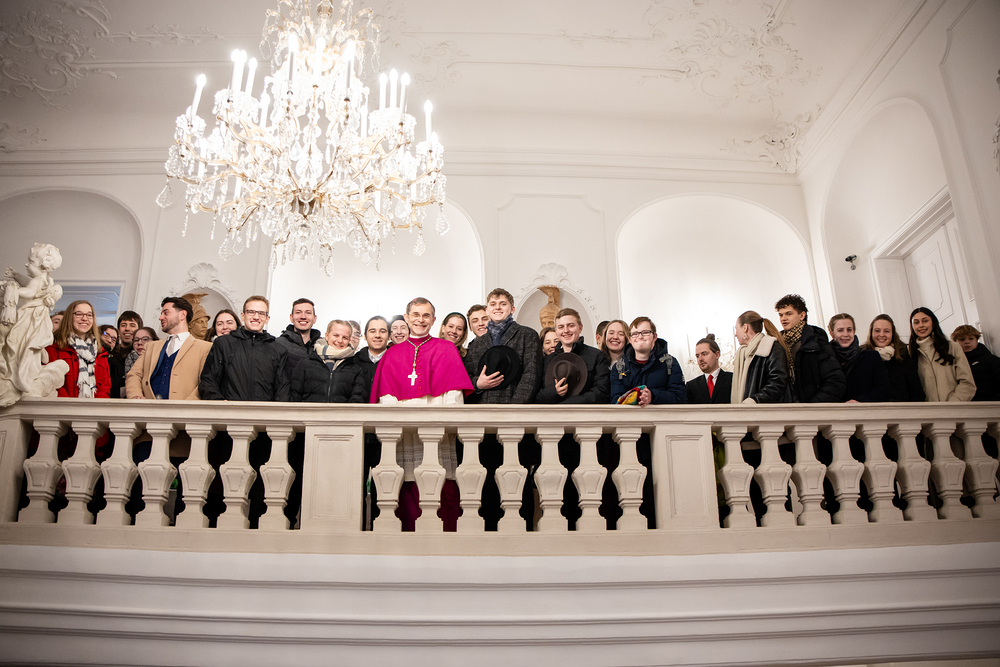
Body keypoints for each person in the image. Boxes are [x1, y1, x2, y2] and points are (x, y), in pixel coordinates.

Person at [369, 297, 474, 531]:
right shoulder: (392, 354)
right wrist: (401, 422)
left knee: (441, 478)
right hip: (405, 433)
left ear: (434, 320)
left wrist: (445, 422)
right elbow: (386, 395)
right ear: (406, 318)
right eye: (415, 315)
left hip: (438, 429)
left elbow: (453, 393)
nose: (421, 320)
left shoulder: (446, 349)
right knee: (405, 479)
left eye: (426, 315)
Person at [199, 295, 289, 402]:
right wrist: (220, 403)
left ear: (267, 319)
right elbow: (208, 380)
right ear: (242, 316)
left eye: (261, 313)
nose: (256, 317)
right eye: (251, 312)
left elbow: (283, 389)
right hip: (230, 410)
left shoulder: (278, 349)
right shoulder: (223, 344)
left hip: (263, 411)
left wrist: (274, 411)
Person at [126, 297, 212, 400]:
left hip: (184, 408)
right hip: (148, 408)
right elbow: (134, 374)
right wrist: (135, 395)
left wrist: (186, 406)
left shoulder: (205, 348)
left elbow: (205, 383)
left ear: (182, 315)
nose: (160, 317)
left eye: (166, 313)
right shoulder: (150, 347)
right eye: (161, 314)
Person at [465, 288, 541, 404]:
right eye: (493, 304)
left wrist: (515, 407)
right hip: (483, 408)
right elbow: (467, 377)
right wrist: (478, 384)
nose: (497, 307)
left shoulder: (527, 335)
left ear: (512, 309)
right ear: (487, 311)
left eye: (503, 304)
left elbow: (531, 375)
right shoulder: (476, 344)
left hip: (515, 406)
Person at [775, 294, 846, 402]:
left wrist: (813, 405)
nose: (783, 318)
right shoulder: (778, 342)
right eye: (781, 315)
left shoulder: (816, 340)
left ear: (802, 315)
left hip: (811, 406)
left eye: (789, 314)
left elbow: (835, 380)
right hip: (786, 406)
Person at [536, 308, 609, 404]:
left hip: (586, 412)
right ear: (556, 331)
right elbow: (536, 396)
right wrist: (553, 392)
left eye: (571, 325)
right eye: (561, 327)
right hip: (554, 413)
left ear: (580, 327)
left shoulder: (597, 356)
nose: (566, 330)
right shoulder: (546, 360)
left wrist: (569, 404)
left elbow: (601, 391)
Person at [609, 317, 685, 405]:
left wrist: (652, 396)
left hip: (661, 414)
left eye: (645, 332)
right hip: (631, 414)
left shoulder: (670, 363)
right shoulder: (619, 368)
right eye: (635, 334)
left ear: (654, 336)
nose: (640, 336)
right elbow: (616, 402)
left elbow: (680, 398)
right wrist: (636, 398)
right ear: (630, 339)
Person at [45, 300, 111, 398]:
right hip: (63, 405)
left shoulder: (100, 352)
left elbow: (105, 386)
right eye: (79, 314)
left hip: (94, 406)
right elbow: (52, 383)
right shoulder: (54, 348)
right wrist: (71, 405)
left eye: (89, 315)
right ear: (69, 317)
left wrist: (96, 405)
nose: (84, 318)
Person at [290, 320, 367, 403]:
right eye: (336, 335)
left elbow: (357, 401)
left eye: (345, 337)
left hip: (340, 412)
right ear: (327, 336)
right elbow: (294, 398)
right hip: (310, 412)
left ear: (349, 340)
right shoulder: (305, 364)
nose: (340, 340)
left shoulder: (355, 369)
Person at [908, 307, 975, 402]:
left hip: (955, 407)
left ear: (933, 322)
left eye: (925, 321)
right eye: (916, 322)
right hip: (928, 410)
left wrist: (953, 404)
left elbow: (967, 383)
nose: (921, 325)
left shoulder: (952, 347)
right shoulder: (910, 354)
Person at [731, 311, 791, 404]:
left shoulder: (771, 347)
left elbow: (778, 382)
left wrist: (755, 400)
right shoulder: (743, 353)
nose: (735, 334)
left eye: (736, 328)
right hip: (750, 410)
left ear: (745, 327)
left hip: (768, 410)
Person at [828, 313, 889, 403]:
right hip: (834, 410)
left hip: (866, 409)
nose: (845, 334)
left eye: (849, 330)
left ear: (854, 332)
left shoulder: (871, 357)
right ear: (832, 334)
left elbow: (883, 388)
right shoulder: (826, 358)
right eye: (840, 330)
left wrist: (860, 401)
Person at [863, 314, 924, 402]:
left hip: (902, 408)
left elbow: (917, 393)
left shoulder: (904, 357)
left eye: (886, 331)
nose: (881, 334)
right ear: (871, 332)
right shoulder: (862, 357)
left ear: (892, 333)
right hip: (872, 408)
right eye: (877, 330)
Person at [275, 298, 321, 382]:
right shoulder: (278, 344)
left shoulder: (323, 347)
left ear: (314, 318)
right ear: (291, 317)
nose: (303, 317)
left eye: (308, 313)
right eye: (298, 312)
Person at [951, 325, 1000, 401]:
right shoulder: (952, 364)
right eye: (962, 339)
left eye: (971, 338)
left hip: (991, 404)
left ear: (977, 340)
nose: (967, 342)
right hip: (964, 405)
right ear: (955, 342)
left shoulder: (991, 360)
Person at [686, 334, 733, 404]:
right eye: (697, 356)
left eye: (704, 354)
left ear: (717, 355)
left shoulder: (733, 379)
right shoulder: (691, 386)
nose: (700, 359)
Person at [355, 316, 390, 395]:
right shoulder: (354, 362)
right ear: (365, 336)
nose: (377, 335)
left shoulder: (396, 362)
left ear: (389, 336)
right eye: (372, 331)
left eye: (382, 331)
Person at [99, 325, 126, 398]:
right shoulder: (87, 356)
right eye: (106, 335)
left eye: (114, 340)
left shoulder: (116, 364)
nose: (109, 340)